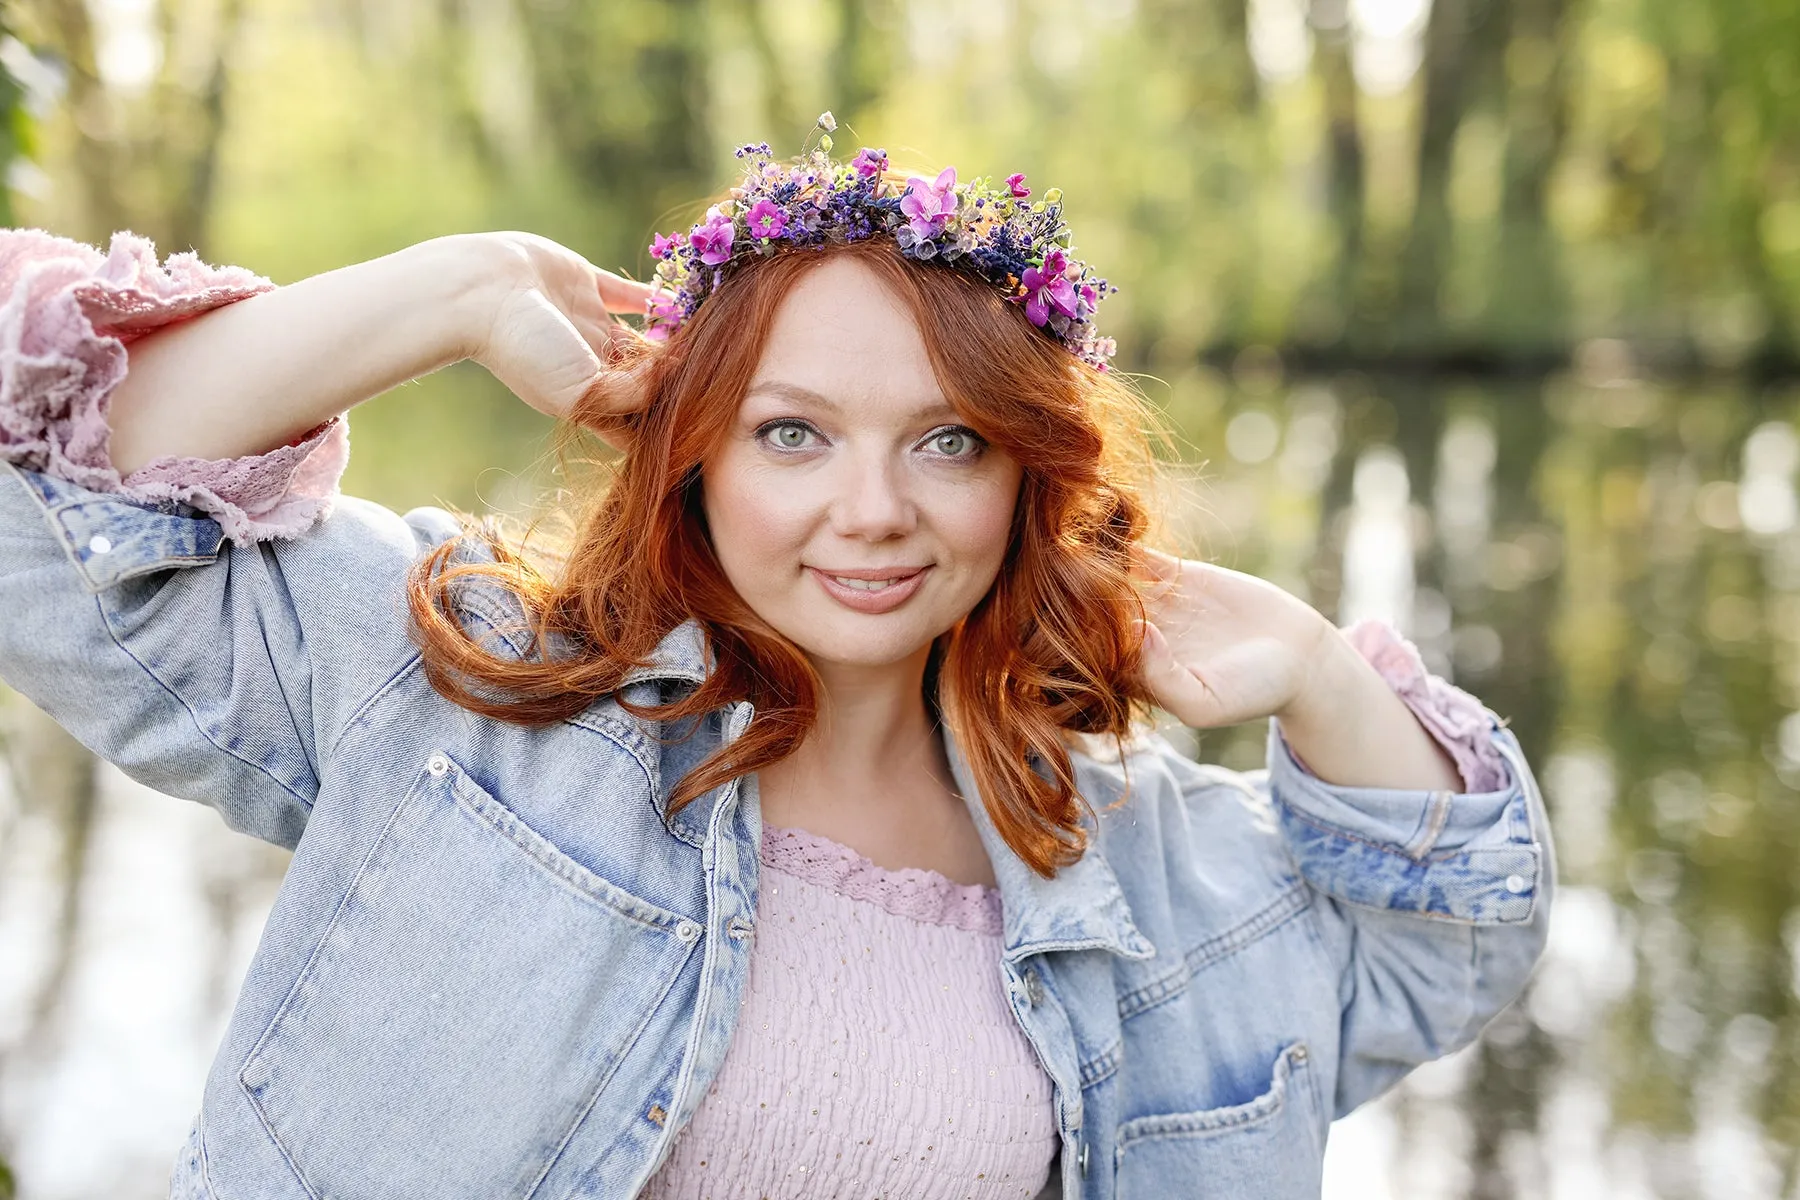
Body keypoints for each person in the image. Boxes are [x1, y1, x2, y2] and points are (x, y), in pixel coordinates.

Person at [0, 120, 1552, 1200]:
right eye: (791, 432)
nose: (871, 513)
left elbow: (1450, 941)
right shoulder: (467, 693)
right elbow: (41, 496)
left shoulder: (1142, 869)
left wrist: (1317, 672)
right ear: (695, 460)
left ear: (1024, 474)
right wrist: (454, 294)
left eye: (946, 440)